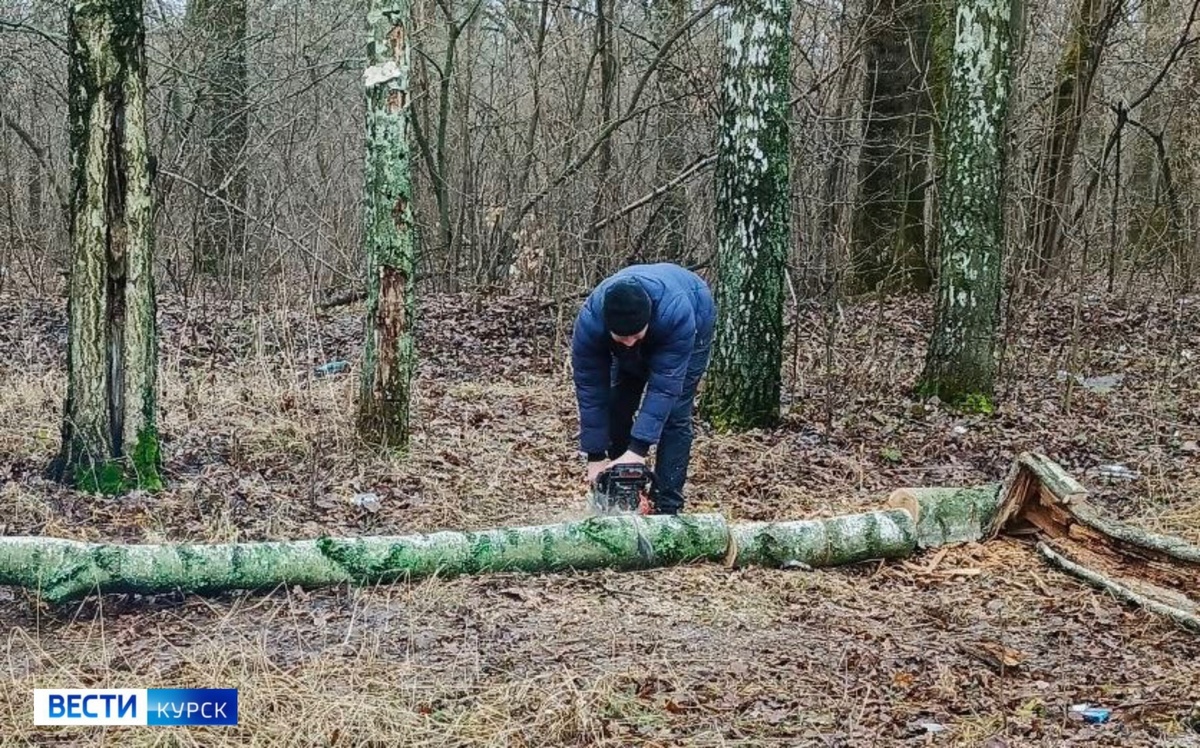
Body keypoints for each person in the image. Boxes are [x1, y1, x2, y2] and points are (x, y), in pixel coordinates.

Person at [570, 263, 716, 515]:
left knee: (674, 413)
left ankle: (668, 506)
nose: (628, 344)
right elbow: (591, 390)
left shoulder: (674, 314)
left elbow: (665, 387)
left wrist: (638, 449)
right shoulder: (591, 322)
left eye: (635, 337)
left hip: (694, 308)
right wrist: (595, 456)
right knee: (618, 401)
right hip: (650, 318)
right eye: (621, 338)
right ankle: (620, 492)